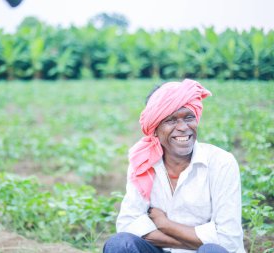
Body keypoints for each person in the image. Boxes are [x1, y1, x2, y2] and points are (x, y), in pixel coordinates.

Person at [103, 79, 245, 253]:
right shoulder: (143, 162)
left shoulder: (221, 162)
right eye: (170, 120)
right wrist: (198, 237)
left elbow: (228, 240)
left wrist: (165, 225)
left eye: (189, 117)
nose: (183, 127)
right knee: (119, 244)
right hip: (161, 250)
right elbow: (127, 224)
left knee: (212, 251)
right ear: (155, 128)